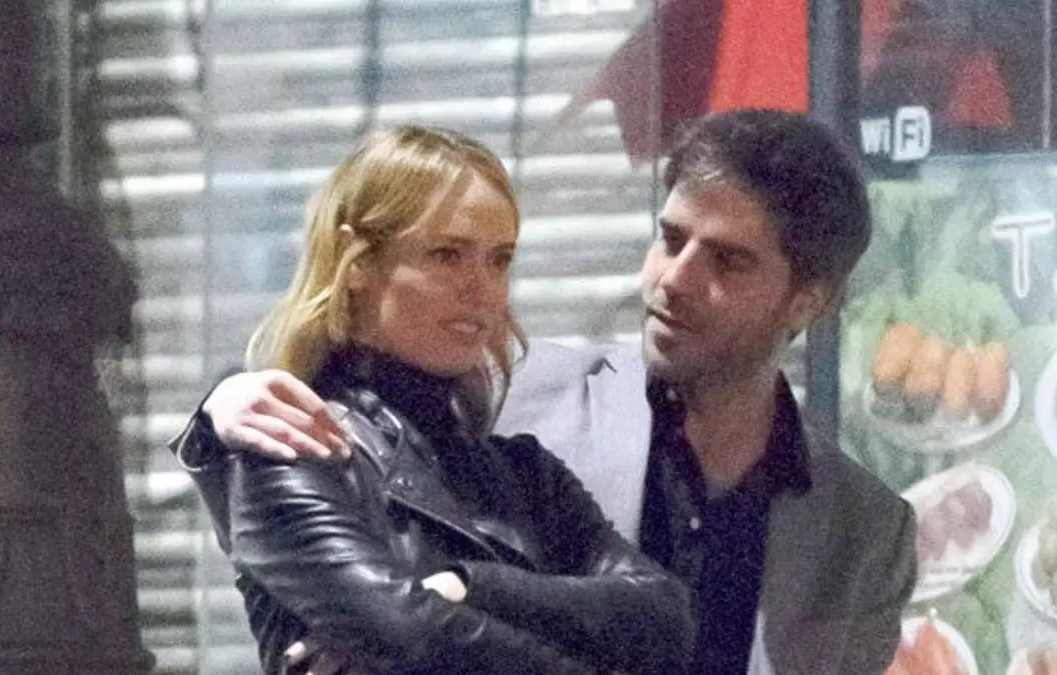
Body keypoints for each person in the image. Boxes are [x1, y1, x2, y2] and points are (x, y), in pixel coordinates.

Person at [181, 110, 917, 674]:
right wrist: (219, 412)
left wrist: (466, 589)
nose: (674, 279)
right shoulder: (520, 390)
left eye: (726, 261)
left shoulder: (866, 529)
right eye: (669, 238)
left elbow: (663, 616)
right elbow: (300, 466)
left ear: (807, 299)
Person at [169, 125, 696, 675]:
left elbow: (665, 616)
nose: (482, 289)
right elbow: (410, 637)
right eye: (447, 255)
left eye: (499, 260)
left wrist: (470, 587)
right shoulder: (291, 448)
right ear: (357, 264)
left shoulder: (525, 473)